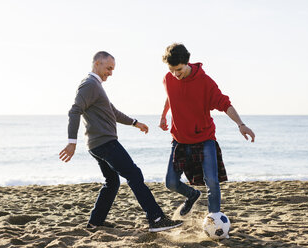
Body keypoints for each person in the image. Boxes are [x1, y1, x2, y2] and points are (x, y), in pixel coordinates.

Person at [59, 51, 182, 232]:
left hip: (97, 144)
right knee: (134, 175)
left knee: (112, 182)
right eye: (108, 68)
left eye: (112, 69)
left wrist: (134, 123)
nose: (111, 73)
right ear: (97, 63)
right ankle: (156, 218)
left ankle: (95, 222)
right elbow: (74, 111)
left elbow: (112, 111)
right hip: (105, 143)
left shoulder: (96, 86)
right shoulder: (89, 85)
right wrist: (71, 142)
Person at [159, 43, 255, 218]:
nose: (175, 74)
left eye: (178, 69)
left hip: (204, 139)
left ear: (187, 62)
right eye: (172, 70)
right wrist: (163, 115)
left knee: (212, 181)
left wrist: (241, 124)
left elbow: (225, 104)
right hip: (179, 140)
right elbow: (170, 96)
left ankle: (214, 218)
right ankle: (192, 195)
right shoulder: (168, 78)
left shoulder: (205, 82)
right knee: (171, 183)